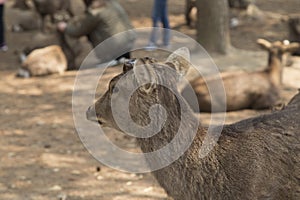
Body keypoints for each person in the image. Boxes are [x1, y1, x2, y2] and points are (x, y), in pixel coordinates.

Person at [57, 0, 136, 64]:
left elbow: (79, 30)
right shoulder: (112, 3)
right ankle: (120, 58)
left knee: (91, 30)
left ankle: (110, 58)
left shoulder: (95, 11)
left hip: (114, 47)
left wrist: (66, 28)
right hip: (128, 43)